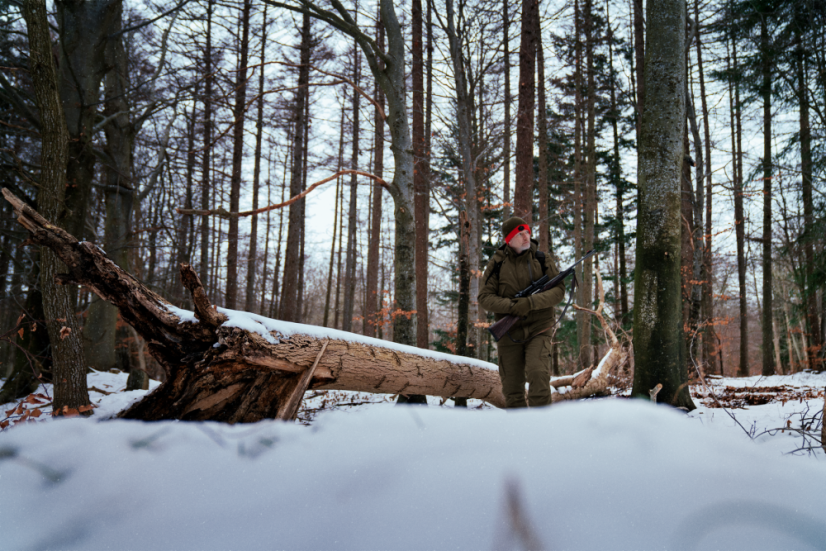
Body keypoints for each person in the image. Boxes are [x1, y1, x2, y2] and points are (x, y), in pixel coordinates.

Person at [478, 217, 565, 408]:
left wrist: (531, 302)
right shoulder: (497, 264)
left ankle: (540, 428)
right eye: (520, 234)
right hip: (509, 332)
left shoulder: (542, 259)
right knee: (511, 387)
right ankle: (519, 432)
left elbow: (559, 291)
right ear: (509, 239)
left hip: (539, 327)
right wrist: (512, 306)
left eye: (527, 232)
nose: (526, 237)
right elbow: (484, 298)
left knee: (538, 373)